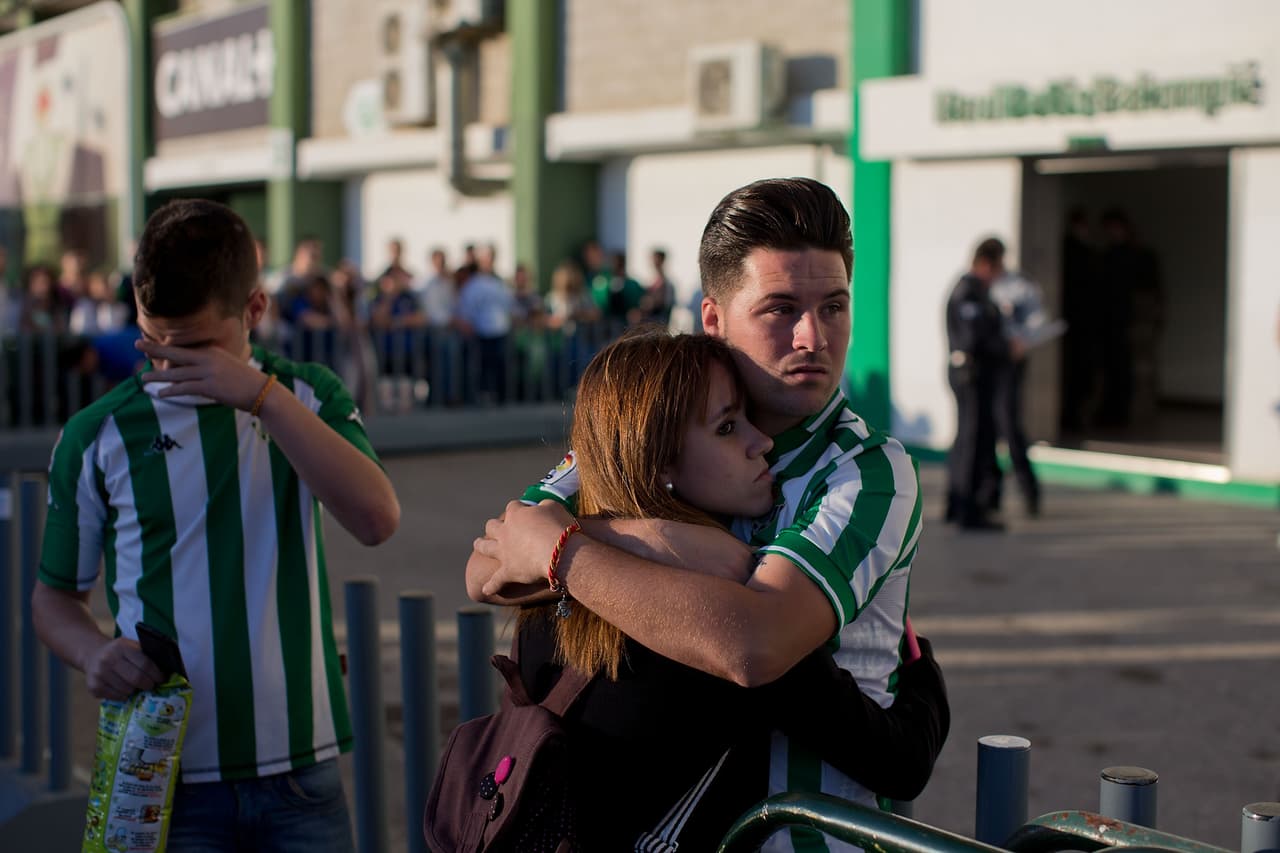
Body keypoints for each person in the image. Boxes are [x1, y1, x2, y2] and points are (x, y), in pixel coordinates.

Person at [469, 177, 939, 851]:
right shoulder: (668, 418)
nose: (814, 335)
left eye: (834, 306)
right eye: (781, 308)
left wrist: (565, 549)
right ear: (713, 318)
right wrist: (661, 539)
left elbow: (755, 646)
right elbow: (487, 564)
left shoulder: (866, 469)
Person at [31, 199, 400, 852]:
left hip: (299, 773)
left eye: (198, 347)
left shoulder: (306, 395)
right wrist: (93, 653)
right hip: (161, 775)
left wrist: (262, 398)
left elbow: (376, 519)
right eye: (153, 342)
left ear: (254, 310)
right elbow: (53, 598)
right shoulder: (97, 433)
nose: (173, 366)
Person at [944, 237, 1018, 531]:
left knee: (967, 439)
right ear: (987, 263)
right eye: (999, 266)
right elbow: (974, 338)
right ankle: (968, 512)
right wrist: (1006, 347)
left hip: (972, 375)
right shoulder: (969, 293)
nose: (1001, 273)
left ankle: (957, 505)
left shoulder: (977, 292)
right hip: (971, 376)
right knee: (972, 442)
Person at [987, 270, 1043, 517]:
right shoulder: (980, 287)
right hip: (989, 362)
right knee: (986, 429)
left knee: (1009, 424)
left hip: (1010, 364)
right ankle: (990, 494)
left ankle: (1029, 491)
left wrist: (1022, 341)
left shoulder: (1021, 288)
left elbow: (1037, 320)